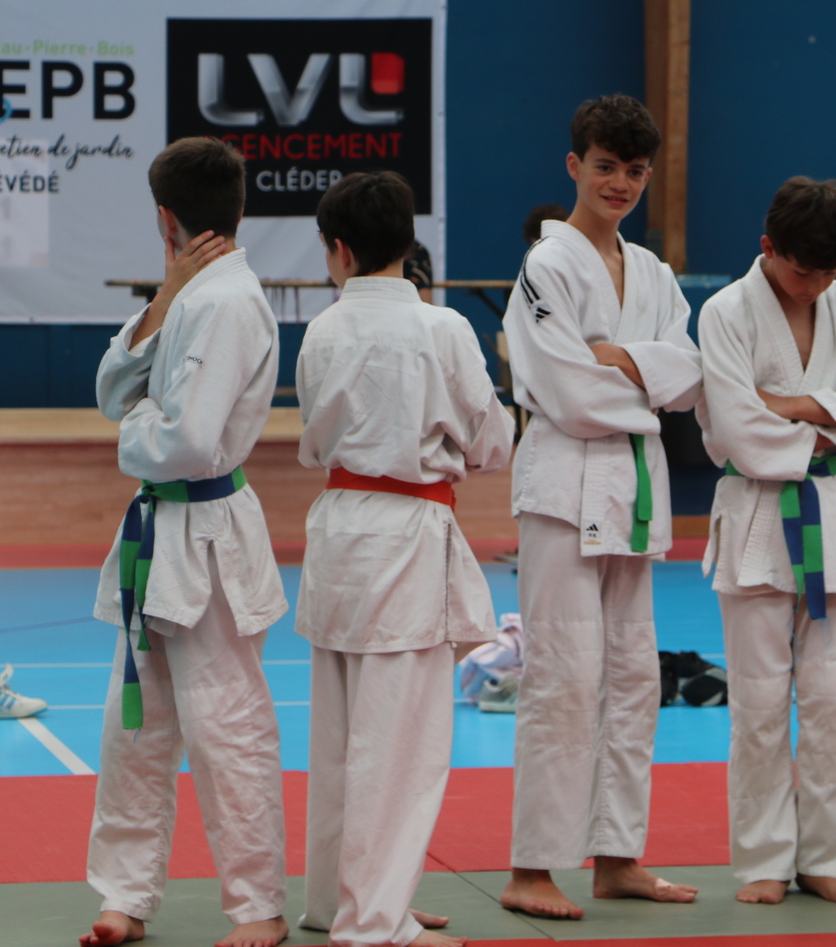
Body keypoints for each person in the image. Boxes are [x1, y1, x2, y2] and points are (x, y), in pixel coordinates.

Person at [295, 171, 515, 947]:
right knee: (399, 747)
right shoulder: (441, 328)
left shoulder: (322, 330)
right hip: (407, 533)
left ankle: (338, 903)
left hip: (339, 528)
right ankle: (375, 922)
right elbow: (492, 442)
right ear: (407, 242)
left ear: (339, 250)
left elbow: (315, 433)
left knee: (339, 738)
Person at [499, 95, 703, 920]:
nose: (620, 183)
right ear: (574, 165)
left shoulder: (653, 273)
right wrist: (644, 381)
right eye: (606, 166)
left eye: (635, 171)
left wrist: (622, 363)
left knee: (631, 679)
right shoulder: (545, 267)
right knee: (561, 679)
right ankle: (531, 867)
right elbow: (568, 392)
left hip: (634, 493)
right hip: (562, 490)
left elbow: (691, 376)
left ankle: (617, 856)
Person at [82, 138, 288, 947]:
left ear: (163, 218)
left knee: (227, 726)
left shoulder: (228, 302)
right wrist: (163, 297)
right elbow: (111, 390)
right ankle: (125, 896)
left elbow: (186, 441)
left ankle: (259, 905)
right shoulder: (191, 295)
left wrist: (137, 429)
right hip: (159, 531)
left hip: (205, 532)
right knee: (133, 726)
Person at [695, 177, 836, 906]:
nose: (814, 285)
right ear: (767, 246)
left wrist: (787, 404)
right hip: (757, 517)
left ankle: (827, 857)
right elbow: (735, 426)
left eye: (828, 271)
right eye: (801, 269)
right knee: (757, 703)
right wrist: (833, 415)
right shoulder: (726, 312)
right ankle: (763, 859)